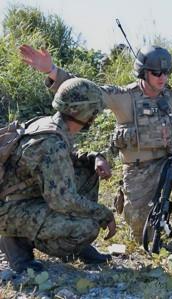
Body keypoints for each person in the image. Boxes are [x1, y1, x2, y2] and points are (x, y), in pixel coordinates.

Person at [19, 45, 172, 265]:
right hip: (138, 171)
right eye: (156, 73)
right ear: (143, 72)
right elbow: (86, 91)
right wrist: (52, 70)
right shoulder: (123, 97)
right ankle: (154, 231)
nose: (163, 78)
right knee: (143, 235)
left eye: (166, 73)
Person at [0, 78, 116, 273]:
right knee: (88, 226)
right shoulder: (51, 143)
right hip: (9, 209)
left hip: (21, 198)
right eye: (94, 112)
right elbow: (63, 201)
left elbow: (65, 161)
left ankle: (27, 235)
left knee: (87, 169)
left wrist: (94, 157)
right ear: (84, 112)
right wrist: (103, 214)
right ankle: (16, 243)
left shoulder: (49, 124)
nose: (95, 117)